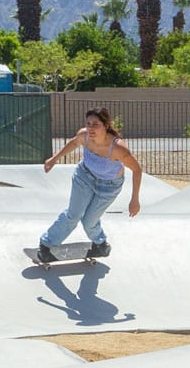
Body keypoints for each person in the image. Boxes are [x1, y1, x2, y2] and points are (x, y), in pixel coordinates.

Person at [36, 108, 143, 262]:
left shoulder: (118, 148)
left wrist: (135, 200)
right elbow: (73, 143)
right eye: (88, 124)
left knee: (89, 221)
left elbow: (137, 170)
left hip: (108, 187)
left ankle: (100, 243)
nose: (91, 128)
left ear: (105, 126)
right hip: (84, 176)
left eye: (96, 124)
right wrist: (54, 159)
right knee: (73, 214)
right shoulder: (84, 136)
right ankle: (46, 245)